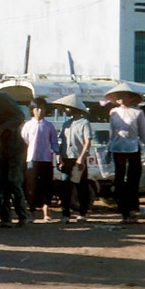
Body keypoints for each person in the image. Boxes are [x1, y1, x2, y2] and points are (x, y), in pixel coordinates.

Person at [106, 81, 145, 224]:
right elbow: (111, 132)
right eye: (118, 97)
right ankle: (123, 211)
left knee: (133, 179)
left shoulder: (137, 112)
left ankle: (132, 210)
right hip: (117, 147)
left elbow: (144, 132)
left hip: (133, 146)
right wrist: (108, 149)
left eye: (124, 96)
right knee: (119, 180)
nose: (121, 99)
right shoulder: (113, 112)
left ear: (130, 98)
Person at [51, 94, 93, 223]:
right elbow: (61, 142)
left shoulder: (84, 123)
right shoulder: (66, 124)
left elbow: (87, 141)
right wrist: (59, 157)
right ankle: (65, 214)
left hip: (78, 159)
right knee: (65, 187)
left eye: (67, 107)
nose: (65, 109)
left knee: (81, 187)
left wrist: (81, 157)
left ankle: (82, 213)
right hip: (66, 157)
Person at [21, 98, 59, 221]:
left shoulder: (49, 126)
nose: (40, 111)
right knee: (31, 186)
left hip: (46, 159)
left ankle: (46, 212)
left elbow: (54, 143)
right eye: (37, 108)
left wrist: (58, 155)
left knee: (47, 186)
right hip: (31, 159)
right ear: (32, 110)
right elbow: (24, 142)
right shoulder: (27, 125)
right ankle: (31, 212)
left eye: (42, 108)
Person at [0, 117, 29, 228]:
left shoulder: (11, 114)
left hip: (14, 152)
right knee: (1, 186)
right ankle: (6, 218)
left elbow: (19, 117)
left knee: (14, 183)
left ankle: (22, 216)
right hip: (2, 152)